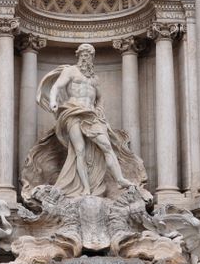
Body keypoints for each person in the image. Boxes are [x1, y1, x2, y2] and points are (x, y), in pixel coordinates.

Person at [45, 44, 136, 197]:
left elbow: (99, 99)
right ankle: (85, 188)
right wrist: (53, 101)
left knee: (106, 146)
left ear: (92, 57)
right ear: (78, 55)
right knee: (79, 150)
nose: (85, 57)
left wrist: (99, 110)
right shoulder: (70, 71)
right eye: (83, 54)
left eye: (88, 54)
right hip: (73, 111)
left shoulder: (94, 78)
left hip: (91, 115)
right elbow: (56, 87)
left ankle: (120, 179)